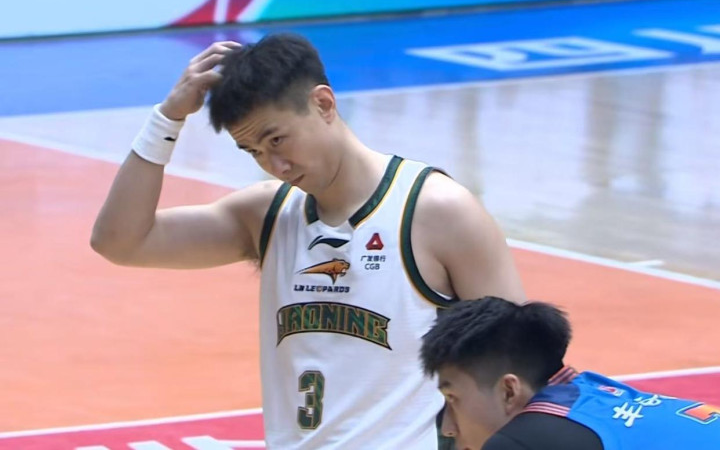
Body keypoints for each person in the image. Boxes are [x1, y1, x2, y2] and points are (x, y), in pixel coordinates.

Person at [90, 33, 525, 449]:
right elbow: (120, 242)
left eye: (277, 140)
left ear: (323, 103)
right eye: (254, 152)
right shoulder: (267, 214)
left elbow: (521, 362)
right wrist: (166, 119)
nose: (275, 165)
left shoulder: (438, 211)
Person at [420, 296, 720, 450]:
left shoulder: (525, 441)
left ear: (509, 391)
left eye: (453, 399)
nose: (448, 428)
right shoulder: (587, 394)